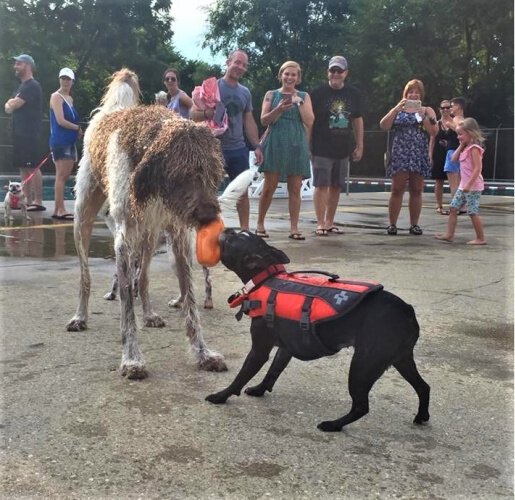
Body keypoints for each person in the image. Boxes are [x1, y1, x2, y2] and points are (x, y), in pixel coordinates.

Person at [190, 50, 263, 231]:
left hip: (238, 148)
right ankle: (209, 230)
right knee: (209, 192)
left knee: (242, 192)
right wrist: (208, 113)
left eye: (244, 65)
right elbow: (192, 115)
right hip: (214, 147)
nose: (240, 67)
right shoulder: (212, 87)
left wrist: (257, 146)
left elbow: (249, 120)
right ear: (228, 62)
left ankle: (245, 231)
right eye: (237, 62)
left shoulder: (245, 92)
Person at [254, 61, 314, 241]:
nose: (289, 77)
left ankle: (294, 228)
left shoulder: (304, 96)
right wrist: (278, 109)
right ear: (280, 75)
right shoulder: (271, 95)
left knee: (295, 188)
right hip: (276, 141)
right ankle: (260, 223)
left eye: (293, 75)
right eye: (286, 74)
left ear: (298, 78)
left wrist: (299, 102)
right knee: (269, 187)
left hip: (296, 142)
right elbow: (264, 120)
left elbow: (309, 120)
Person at [310, 55, 364, 236]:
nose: (335, 74)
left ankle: (329, 222)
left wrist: (360, 145)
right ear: (327, 72)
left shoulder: (353, 93)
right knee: (321, 184)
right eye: (332, 70)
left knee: (336, 185)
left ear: (345, 73)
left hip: (343, 147)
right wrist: (307, 145)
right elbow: (309, 121)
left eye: (339, 71)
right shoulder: (317, 94)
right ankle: (320, 223)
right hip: (321, 146)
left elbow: (357, 120)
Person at [379, 79, 438, 235]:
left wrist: (422, 116)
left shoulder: (427, 110)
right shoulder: (399, 109)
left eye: (417, 91)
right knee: (397, 189)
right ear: (405, 94)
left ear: (421, 94)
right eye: (411, 91)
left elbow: (434, 132)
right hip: (400, 152)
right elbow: (384, 126)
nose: (414, 94)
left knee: (417, 189)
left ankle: (414, 224)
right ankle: (392, 224)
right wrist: (395, 109)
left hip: (418, 152)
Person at [435, 118, 486, 245]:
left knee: (472, 212)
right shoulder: (465, 148)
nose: (458, 137)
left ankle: (481, 238)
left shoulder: (474, 148)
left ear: (471, 133)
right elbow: (453, 159)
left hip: (472, 186)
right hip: (463, 186)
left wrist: (469, 184)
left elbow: (477, 168)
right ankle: (449, 234)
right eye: (458, 134)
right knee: (453, 208)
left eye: (461, 134)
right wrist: (461, 145)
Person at [4, 54, 45, 211]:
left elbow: (14, 104)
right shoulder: (21, 87)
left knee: (32, 166)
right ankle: (26, 200)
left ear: (27, 65)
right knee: (22, 166)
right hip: (19, 133)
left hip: (29, 134)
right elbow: (8, 106)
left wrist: (11, 103)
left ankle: (38, 201)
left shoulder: (32, 86)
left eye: (18, 64)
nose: (15, 66)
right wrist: (11, 104)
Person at [49, 67, 82, 219]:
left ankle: (58, 208)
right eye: (63, 78)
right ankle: (59, 209)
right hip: (60, 141)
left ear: (73, 81)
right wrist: (77, 128)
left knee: (64, 174)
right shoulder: (56, 97)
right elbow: (60, 120)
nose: (65, 81)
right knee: (61, 175)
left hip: (68, 141)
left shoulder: (70, 99)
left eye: (68, 79)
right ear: (59, 79)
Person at [430, 99, 452, 214]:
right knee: (439, 181)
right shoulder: (437, 124)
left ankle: (455, 205)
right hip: (439, 154)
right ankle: (439, 205)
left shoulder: (455, 122)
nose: (445, 110)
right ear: (439, 110)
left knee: (455, 181)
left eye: (447, 107)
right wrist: (430, 155)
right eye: (443, 108)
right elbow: (432, 140)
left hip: (452, 155)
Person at [442, 96, 466, 203]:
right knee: (461, 181)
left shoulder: (455, 119)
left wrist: (449, 125)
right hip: (461, 152)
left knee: (453, 183)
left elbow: (459, 131)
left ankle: (455, 205)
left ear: (459, 107)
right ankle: (462, 205)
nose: (450, 109)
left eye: (452, 106)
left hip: (453, 152)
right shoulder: (466, 121)